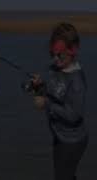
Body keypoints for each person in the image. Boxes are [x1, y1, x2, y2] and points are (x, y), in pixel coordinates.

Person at [31, 22, 88, 180]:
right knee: (63, 174)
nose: (55, 59)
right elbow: (52, 90)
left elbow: (74, 115)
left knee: (63, 176)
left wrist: (47, 103)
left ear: (73, 50)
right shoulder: (55, 69)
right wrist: (39, 85)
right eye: (52, 54)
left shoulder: (76, 81)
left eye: (60, 55)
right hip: (58, 135)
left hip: (72, 142)